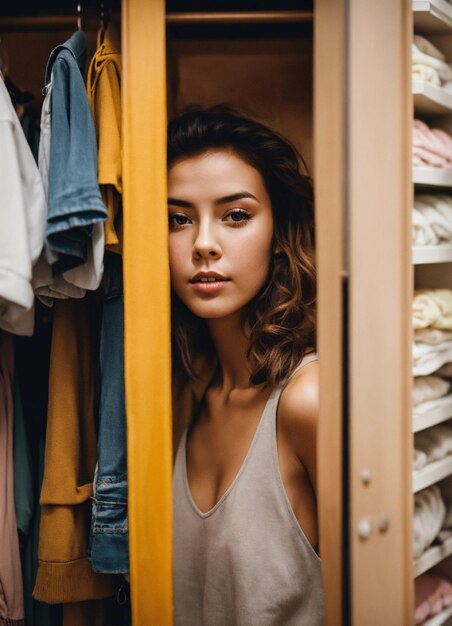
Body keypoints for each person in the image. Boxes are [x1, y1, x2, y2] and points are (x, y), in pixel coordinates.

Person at [168, 105, 324, 626]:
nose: (204, 244)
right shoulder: (182, 396)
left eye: (236, 215)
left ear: (279, 233)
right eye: (178, 219)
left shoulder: (307, 401)